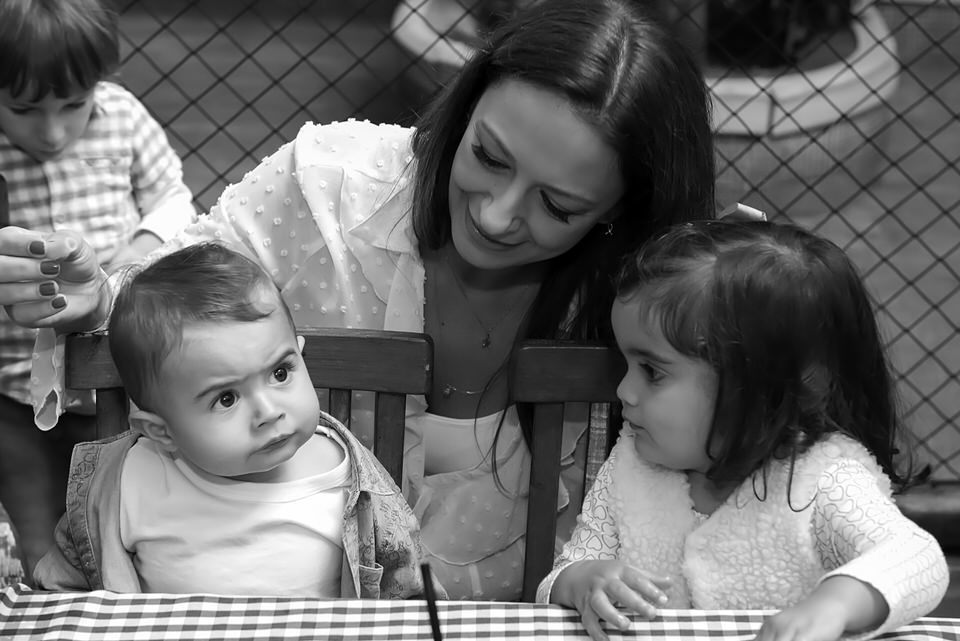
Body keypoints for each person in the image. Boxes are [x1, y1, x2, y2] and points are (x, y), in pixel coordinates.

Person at [0, 0, 716, 599]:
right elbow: (168, 292)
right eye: (488, 156)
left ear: (620, 213)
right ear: (465, 107)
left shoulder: (655, 294)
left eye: (558, 205)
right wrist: (97, 298)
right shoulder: (326, 186)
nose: (497, 216)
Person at [538, 220, 948, 640]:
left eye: (652, 371)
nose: (623, 391)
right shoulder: (629, 467)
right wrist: (582, 580)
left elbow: (917, 558)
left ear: (766, 386)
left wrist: (835, 606)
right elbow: (561, 575)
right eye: (625, 366)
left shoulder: (821, 481)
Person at [33, 242, 434, 597]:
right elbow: (59, 595)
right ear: (162, 432)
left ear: (300, 354)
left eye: (280, 373)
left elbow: (408, 595)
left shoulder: (350, 480)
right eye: (226, 398)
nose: (269, 412)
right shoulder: (122, 485)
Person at [0, 0, 195, 578]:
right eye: (23, 109)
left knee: (118, 526)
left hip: (117, 380)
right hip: (12, 391)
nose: (53, 131)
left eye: (74, 104)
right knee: (41, 546)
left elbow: (172, 197)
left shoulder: (123, 117)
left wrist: (139, 251)